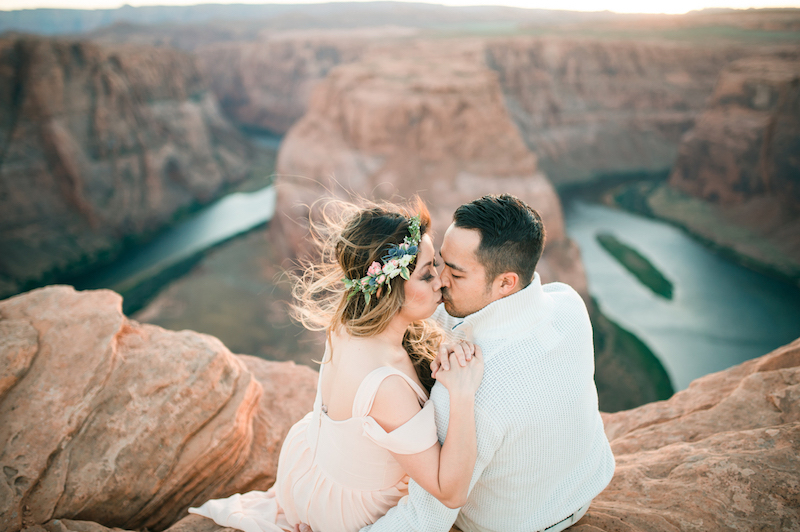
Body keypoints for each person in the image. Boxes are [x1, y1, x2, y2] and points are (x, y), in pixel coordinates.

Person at [189, 198, 484, 532]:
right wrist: (462, 394)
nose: (441, 281)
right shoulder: (386, 387)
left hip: (307, 470)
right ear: (389, 288)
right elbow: (450, 491)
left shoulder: (348, 320)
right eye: (427, 274)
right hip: (347, 513)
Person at [355, 194, 616, 532]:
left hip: (510, 524)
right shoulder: (569, 305)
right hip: (581, 492)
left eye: (457, 275)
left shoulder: (464, 390)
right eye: (440, 263)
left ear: (506, 283)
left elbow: (425, 519)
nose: (440, 281)